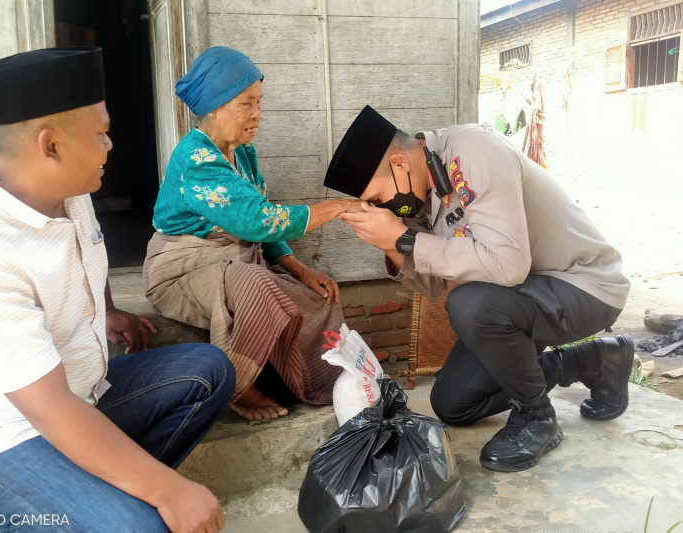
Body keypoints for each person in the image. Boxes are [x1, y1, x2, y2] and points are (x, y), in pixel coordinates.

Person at [0, 47, 234, 533]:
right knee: (141, 527)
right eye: (100, 133)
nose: (110, 145)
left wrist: (105, 309)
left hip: (80, 393)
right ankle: (10, 511)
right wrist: (169, 491)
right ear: (51, 145)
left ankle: (87, 498)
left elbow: (86, 251)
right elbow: (50, 409)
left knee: (207, 371)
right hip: (0, 431)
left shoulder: (65, 187)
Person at [323, 106, 633, 472]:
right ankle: (592, 360)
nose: (386, 207)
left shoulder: (472, 150)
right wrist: (391, 244)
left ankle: (536, 416)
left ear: (400, 163)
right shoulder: (422, 193)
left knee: (470, 303)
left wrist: (405, 239)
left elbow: (507, 265)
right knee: (454, 404)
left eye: (379, 197)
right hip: (525, 296)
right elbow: (433, 285)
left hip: (583, 284)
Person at [145, 46, 361, 421]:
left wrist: (300, 270)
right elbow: (257, 221)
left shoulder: (244, 153)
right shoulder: (196, 159)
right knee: (254, 282)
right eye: (246, 104)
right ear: (214, 107)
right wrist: (337, 207)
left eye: (259, 102)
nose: (257, 114)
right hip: (181, 272)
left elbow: (262, 218)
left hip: (237, 265)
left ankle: (322, 380)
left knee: (319, 296)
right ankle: (238, 386)